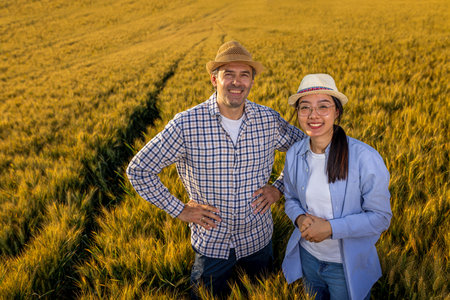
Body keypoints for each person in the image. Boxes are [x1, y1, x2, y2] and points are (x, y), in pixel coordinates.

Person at [126, 40, 305, 298]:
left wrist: (278, 188)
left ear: (252, 81)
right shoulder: (186, 124)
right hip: (212, 247)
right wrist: (181, 210)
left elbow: (304, 150)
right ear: (214, 79)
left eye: (244, 75)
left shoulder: (268, 119)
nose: (236, 82)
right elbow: (139, 170)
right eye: (228, 74)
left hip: (258, 242)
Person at [281, 73, 392, 300]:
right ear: (298, 113)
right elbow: (290, 198)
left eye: (323, 106)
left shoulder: (365, 158)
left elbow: (381, 217)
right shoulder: (294, 154)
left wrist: (331, 228)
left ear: (337, 112)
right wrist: (300, 218)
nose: (313, 115)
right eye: (305, 108)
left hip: (345, 267)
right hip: (308, 259)